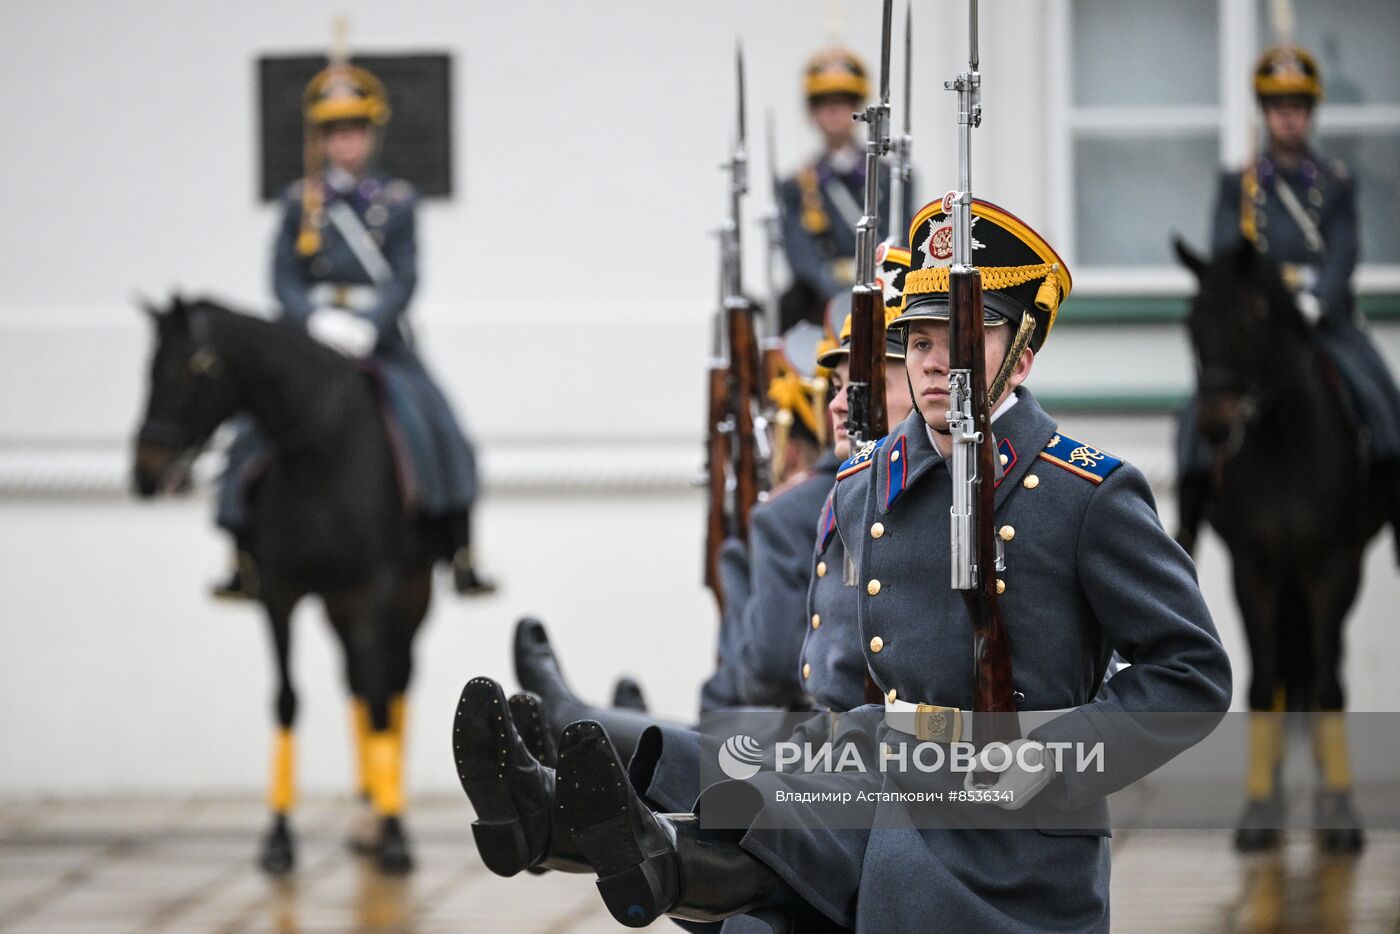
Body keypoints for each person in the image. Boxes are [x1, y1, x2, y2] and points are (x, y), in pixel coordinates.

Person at [455, 200, 1231, 930]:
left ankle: (605, 837)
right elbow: (839, 675)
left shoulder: (1083, 491)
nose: (933, 365)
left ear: (1020, 357)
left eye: (960, 345)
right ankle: (554, 820)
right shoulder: (867, 483)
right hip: (884, 772)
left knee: (764, 846)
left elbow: (1190, 674)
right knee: (740, 793)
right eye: (918, 343)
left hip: (1011, 837)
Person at [214, 59, 493, 598]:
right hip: (311, 338)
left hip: (378, 339)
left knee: (438, 421)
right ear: (321, 139)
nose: (346, 142)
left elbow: (405, 274)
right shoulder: (300, 202)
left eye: (355, 130)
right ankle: (242, 552)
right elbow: (284, 277)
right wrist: (313, 319)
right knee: (250, 431)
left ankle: (459, 546)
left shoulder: (398, 202)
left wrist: (367, 323)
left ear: (370, 134)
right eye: (335, 132)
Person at [1177, 44, 1400, 556]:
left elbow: (1344, 249)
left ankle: (1393, 498)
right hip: (1263, 325)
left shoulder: (1337, 184)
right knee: (1198, 410)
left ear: (1310, 114)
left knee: (1380, 395)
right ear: (1267, 114)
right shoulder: (1241, 185)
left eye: (1297, 108)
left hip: (1326, 322)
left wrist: (1319, 298)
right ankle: (1188, 520)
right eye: (1280, 109)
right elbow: (1226, 255)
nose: (1289, 118)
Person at [776, 47, 911, 332]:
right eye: (824, 103)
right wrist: (841, 296)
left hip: (881, 292)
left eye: (844, 101)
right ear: (812, 112)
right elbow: (801, 256)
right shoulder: (796, 186)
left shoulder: (892, 178)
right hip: (822, 305)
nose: (834, 112)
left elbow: (899, 238)